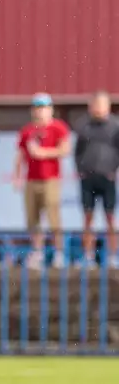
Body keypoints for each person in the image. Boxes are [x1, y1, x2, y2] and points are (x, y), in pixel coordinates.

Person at [14, 93, 72, 269]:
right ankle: (37, 251)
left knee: (53, 216)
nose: (41, 111)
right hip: (31, 180)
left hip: (50, 179)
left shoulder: (58, 127)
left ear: (51, 109)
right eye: (38, 107)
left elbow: (65, 149)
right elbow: (20, 155)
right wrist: (17, 175)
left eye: (44, 107)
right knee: (33, 218)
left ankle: (58, 252)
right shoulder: (27, 131)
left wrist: (43, 153)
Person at [73, 91, 119, 268]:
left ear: (108, 106)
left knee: (110, 219)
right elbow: (77, 152)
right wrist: (81, 171)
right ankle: (88, 256)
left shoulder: (115, 125)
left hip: (107, 178)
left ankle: (114, 256)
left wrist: (113, 170)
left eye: (102, 105)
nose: (98, 108)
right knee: (87, 218)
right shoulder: (83, 125)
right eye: (96, 105)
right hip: (88, 179)